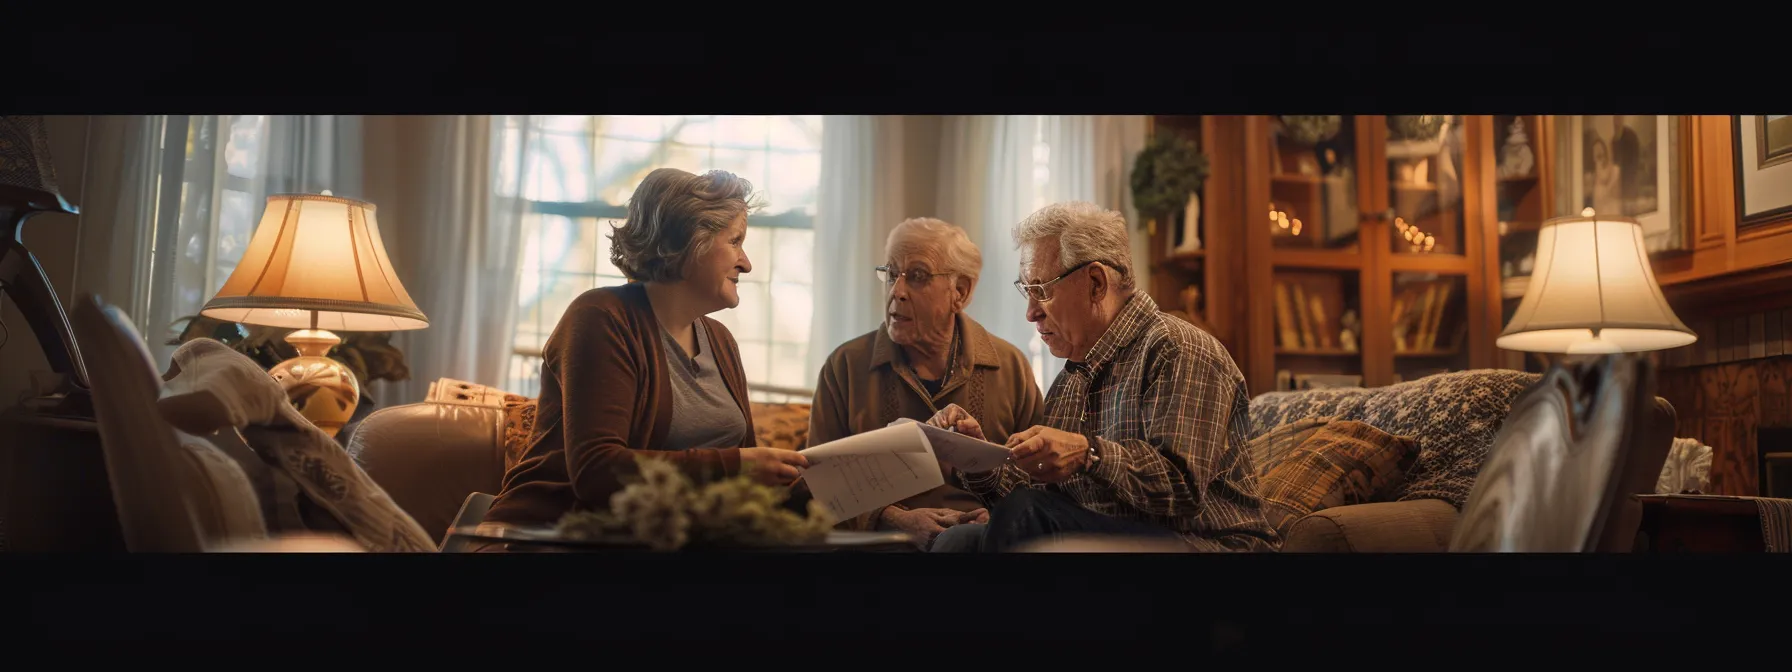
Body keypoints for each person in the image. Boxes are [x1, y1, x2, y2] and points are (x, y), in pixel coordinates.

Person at [926, 201, 1280, 553]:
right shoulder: (1072, 376)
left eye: (1041, 290)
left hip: (1206, 542)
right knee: (956, 541)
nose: (1031, 313)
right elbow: (1044, 496)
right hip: (1117, 534)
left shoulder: (1178, 348)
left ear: (1095, 283)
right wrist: (974, 457)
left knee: (1026, 515)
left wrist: (1088, 453)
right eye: (1027, 291)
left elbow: (1180, 490)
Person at [480, 168, 810, 537]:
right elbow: (597, 471)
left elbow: (748, 482)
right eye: (735, 241)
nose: (746, 263)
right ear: (689, 241)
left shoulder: (720, 341)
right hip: (553, 535)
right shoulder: (601, 317)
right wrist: (736, 466)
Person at [808, 217, 1045, 550]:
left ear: (960, 292)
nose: (897, 291)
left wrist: (998, 515)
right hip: (878, 545)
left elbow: (1038, 477)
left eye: (917, 276)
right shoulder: (845, 366)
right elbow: (814, 485)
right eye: (891, 274)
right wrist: (893, 517)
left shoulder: (1010, 367)